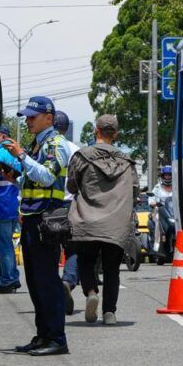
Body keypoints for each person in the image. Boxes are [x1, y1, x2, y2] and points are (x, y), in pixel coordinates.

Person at [1, 96, 69, 356]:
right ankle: (43, 334)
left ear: (49, 118)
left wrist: (21, 156)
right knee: (34, 280)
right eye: (27, 117)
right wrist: (14, 175)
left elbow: (47, 176)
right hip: (31, 218)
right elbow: (33, 183)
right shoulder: (37, 144)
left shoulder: (56, 144)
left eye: (32, 117)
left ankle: (57, 338)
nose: (28, 121)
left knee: (48, 280)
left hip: (46, 220)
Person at [66, 115, 138, 325]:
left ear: (96, 130)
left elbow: (71, 186)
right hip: (115, 224)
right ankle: (109, 313)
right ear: (115, 134)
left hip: (87, 220)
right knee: (112, 268)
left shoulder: (81, 156)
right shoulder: (127, 161)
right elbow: (134, 190)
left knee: (85, 260)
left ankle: (90, 292)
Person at [0, 127, 22, 293]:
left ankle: (9, 279)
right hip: (14, 204)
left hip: (0, 205)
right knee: (7, 242)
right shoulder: (16, 153)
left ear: (3, 137)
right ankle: (9, 276)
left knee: (3, 244)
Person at [53, 110, 79, 315]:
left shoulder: (45, 147)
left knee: (49, 251)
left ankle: (53, 292)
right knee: (73, 250)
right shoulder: (76, 150)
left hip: (49, 207)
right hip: (71, 207)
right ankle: (68, 282)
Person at [149, 165, 176, 256]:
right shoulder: (157, 187)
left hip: (174, 211)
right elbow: (151, 199)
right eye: (166, 175)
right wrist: (153, 203)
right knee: (157, 223)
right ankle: (157, 246)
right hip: (160, 210)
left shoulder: (177, 186)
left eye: (170, 175)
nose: (168, 177)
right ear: (162, 176)